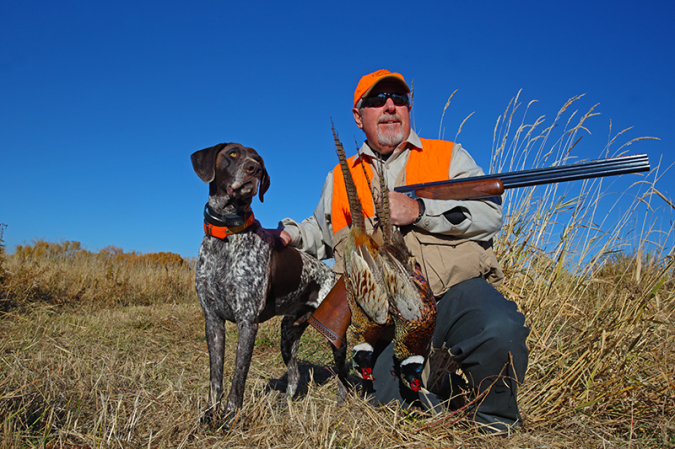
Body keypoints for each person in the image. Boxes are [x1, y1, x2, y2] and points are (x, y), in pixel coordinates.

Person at [278, 69, 529, 434]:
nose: (390, 106)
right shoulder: (340, 176)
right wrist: (285, 235)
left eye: (399, 98)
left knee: (499, 329)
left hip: (450, 292)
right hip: (381, 316)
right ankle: (436, 380)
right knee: (384, 401)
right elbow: (320, 231)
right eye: (377, 100)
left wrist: (420, 212)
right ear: (358, 115)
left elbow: (489, 214)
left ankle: (495, 425)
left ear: (410, 108)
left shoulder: (448, 157)